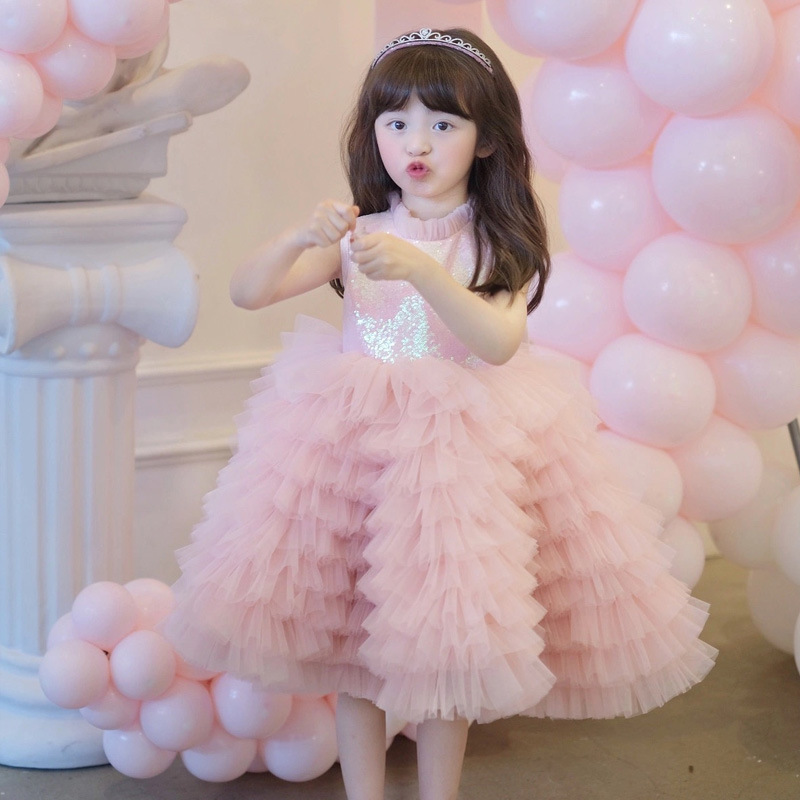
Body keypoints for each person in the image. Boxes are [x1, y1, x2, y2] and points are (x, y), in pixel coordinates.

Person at [164, 27, 717, 800]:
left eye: (442, 123)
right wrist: (296, 237)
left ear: (485, 139)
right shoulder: (362, 234)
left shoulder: (493, 241)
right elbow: (247, 292)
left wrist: (424, 270)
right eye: (395, 122)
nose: (415, 143)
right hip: (350, 454)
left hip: (453, 463)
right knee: (352, 651)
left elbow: (496, 342)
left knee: (445, 647)